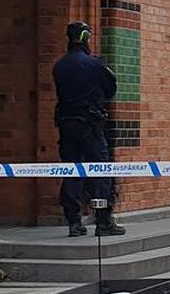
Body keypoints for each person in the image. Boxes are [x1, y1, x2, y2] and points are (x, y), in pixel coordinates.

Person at [52, 20, 122, 237]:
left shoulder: (59, 65)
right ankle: (103, 221)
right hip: (90, 126)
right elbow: (110, 89)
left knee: (72, 172)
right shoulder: (94, 65)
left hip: (66, 124)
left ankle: (73, 222)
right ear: (85, 38)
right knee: (101, 171)